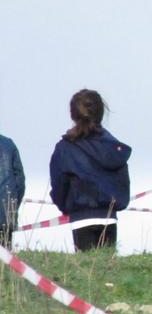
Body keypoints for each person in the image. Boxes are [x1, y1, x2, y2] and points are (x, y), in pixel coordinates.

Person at [50, 90, 131, 252]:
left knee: (88, 272)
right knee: (107, 272)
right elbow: (123, 182)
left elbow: (59, 183)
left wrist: (66, 206)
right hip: (109, 216)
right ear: (101, 113)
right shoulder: (114, 148)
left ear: (72, 114)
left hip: (81, 217)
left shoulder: (65, 148)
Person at [0, 133, 25, 247]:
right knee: (6, 260)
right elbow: (19, 181)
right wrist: (12, 206)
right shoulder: (8, 144)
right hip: (5, 215)